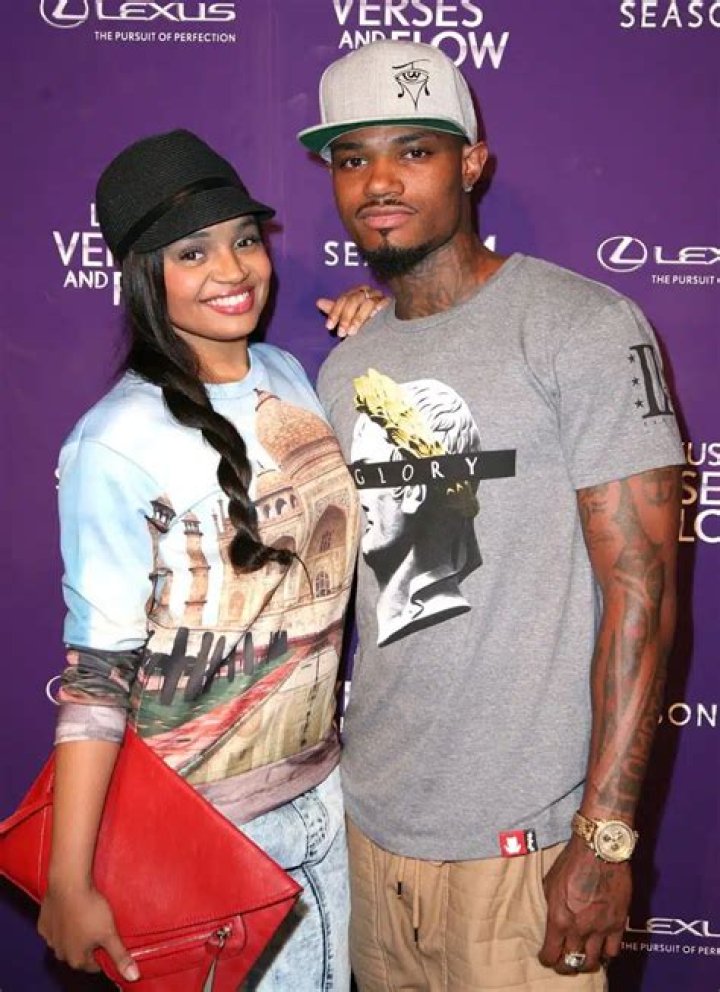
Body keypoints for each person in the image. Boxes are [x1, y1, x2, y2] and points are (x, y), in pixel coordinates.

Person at [298, 40, 684, 991]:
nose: (378, 182)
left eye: (414, 151)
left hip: (528, 850)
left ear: (471, 164)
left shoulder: (583, 326)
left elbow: (642, 596)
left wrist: (604, 838)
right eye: (352, 158)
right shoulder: (344, 367)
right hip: (369, 832)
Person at [37, 128, 380, 991]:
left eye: (244, 240)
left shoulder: (290, 373)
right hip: (206, 837)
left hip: (329, 800)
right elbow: (97, 674)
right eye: (192, 252)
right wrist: (68, 880)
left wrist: (387, 333)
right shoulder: (114, 443)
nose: (233, 270)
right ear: (143, 276)